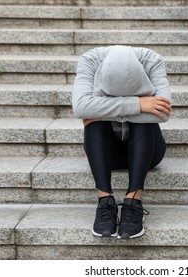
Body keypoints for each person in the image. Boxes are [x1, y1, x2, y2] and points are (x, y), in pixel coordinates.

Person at [72, 45, 172, 239]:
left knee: (142, 124)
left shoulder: (153, 61)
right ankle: (104, 202)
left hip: (148, 151)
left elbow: (162, 113)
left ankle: (134, 201)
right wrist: (139, 104)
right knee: (94, 126)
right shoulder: (90, 61)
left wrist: (100, 110)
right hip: (106, 153)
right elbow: (80, 108)